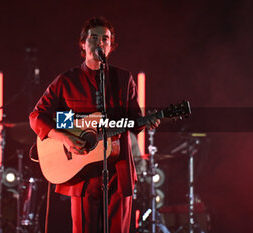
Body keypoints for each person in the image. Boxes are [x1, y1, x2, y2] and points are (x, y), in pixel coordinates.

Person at [29, 16, 160, 233]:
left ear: (111, 46)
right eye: (94, 37)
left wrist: (148, 121)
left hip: (118, 171)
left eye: (105, 39)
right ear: (83, 43)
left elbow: (135, 122)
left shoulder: (123, 79)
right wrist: (65, 137)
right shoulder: (66, 81)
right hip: (81, 173)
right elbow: (36, 116)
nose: (100, 42)